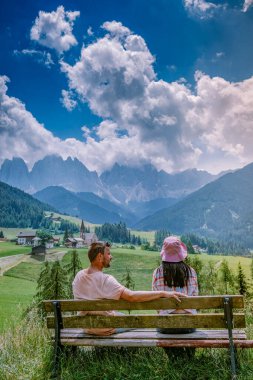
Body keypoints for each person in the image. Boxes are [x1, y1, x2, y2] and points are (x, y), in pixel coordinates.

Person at [72, 241, 186, 336]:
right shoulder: (105, 280)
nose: (111, 257)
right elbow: (132, 296)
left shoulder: (79, 276)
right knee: (139, 322)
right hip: (104, 327)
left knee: (125, 316)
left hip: (86, 326)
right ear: (100, 257)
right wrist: (163, 293)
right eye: (108, 254)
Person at [152, 235, 198, 334]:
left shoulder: (157, 272)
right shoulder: (191, 272)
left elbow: (155, 302)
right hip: (189, 325)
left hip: (166, 326)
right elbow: (195, 298)